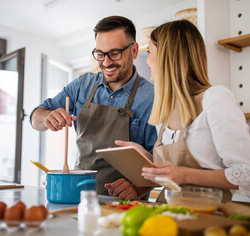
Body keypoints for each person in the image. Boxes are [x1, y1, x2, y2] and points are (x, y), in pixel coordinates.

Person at [114, 20, 250, 203]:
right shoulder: (164, 111)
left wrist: (185, 175)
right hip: (167, 215)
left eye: (150, 52)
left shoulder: (215, 98)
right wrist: (143, 157)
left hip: (207, 218)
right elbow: (171, 172)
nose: (146, 61)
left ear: (167, 57)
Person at [30, 16, 157, 199]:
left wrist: (138, 188)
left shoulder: (151, 98)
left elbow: (160, 163)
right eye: (100, 53)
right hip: (77, 197)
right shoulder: (82, 85)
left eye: (115, 53)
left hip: (124, 204)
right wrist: (47, 117)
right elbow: (35, 118)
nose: (106, 63)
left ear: (134, 50)